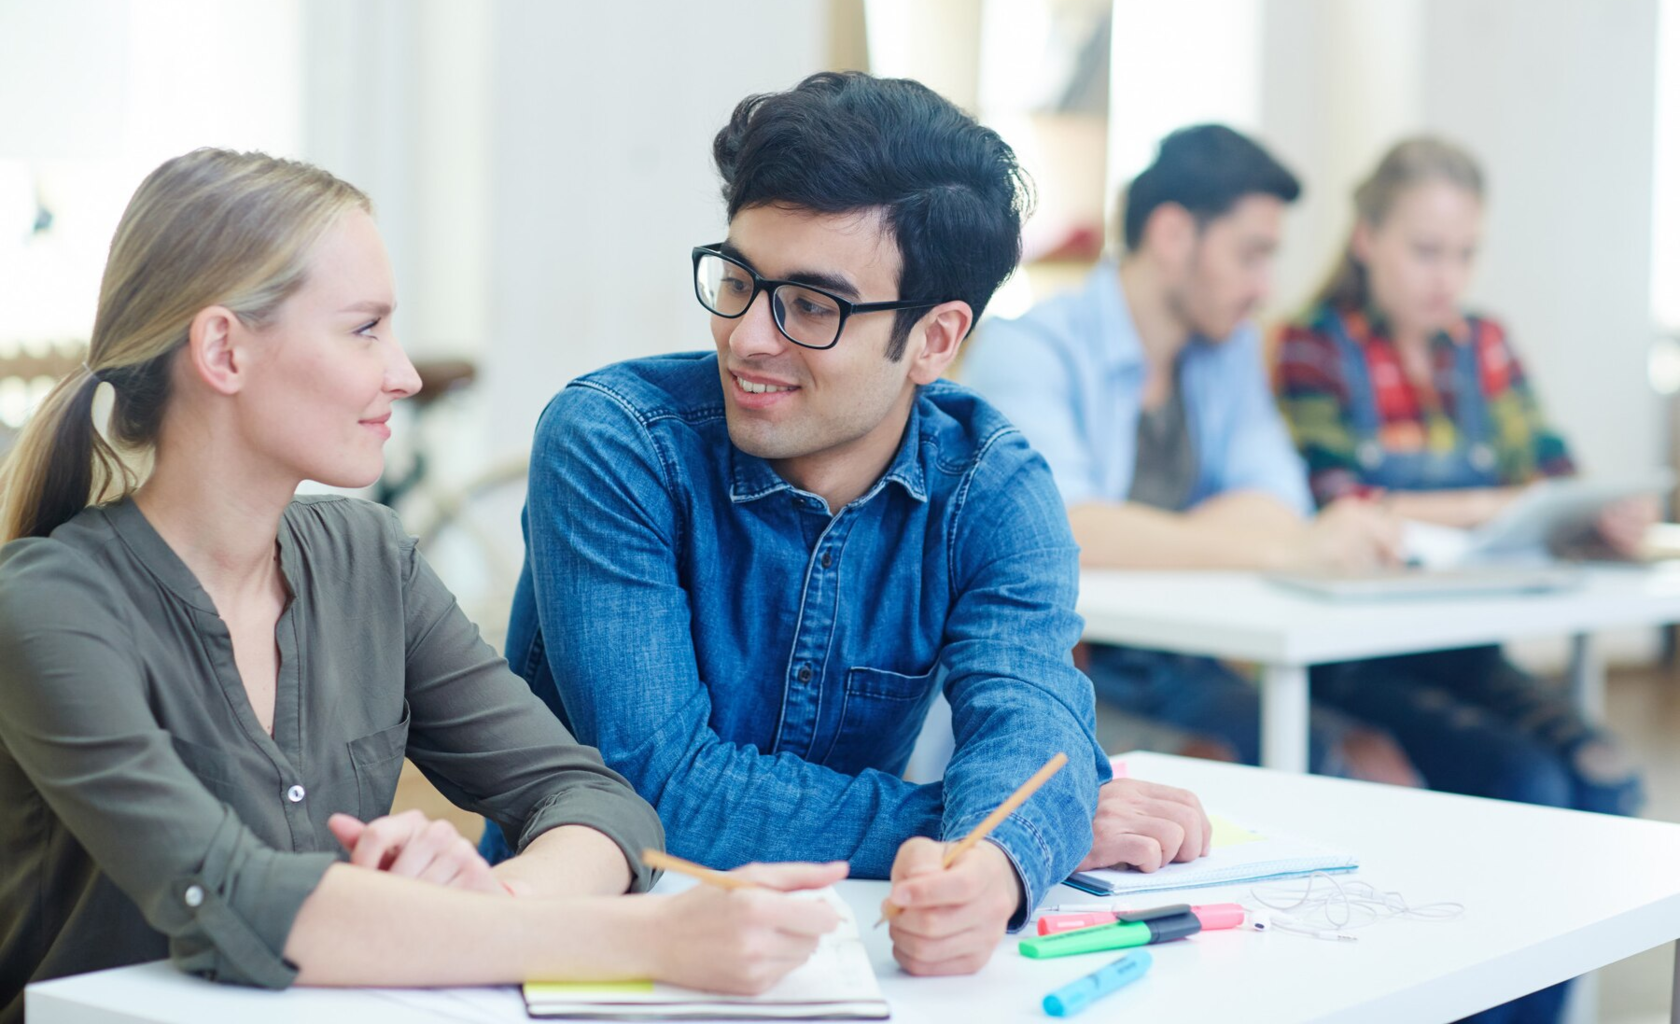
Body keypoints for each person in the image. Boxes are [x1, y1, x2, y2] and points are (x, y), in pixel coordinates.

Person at [0, 149, 849, 1022]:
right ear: (223, 349)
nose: (402, 373)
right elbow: (229, 897)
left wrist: (483, 909)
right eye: (364, 328)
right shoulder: (48, 605)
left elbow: (599, 803)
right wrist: (652, 943)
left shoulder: (372, 561)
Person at [484, 72, 1213, 978]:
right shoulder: (616, 442)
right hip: (584, 950)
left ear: (937, 340)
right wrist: (979, 826)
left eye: (813, 307)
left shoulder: (993, 485)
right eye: (739, 280)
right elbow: (657, 782)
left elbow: (1035, 718)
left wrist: (989, 870)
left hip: (845, 955)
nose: (750, 337)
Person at [1272, 136, 1648, 1024]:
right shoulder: (1313, 349)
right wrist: (1500, 501)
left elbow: (1554, 474)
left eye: (1465, 253)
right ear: (1367, 239)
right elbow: (1344, 502)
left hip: (1466, 649)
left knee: (1608, 783)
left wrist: (1594, 514)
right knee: (1532, 787)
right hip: (1363, 661)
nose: (1448, 276)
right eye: (1425, 250)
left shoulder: (1483, 343)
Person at [962, 124, 1416, 782]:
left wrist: (1138, 537)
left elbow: (1278, 501)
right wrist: (1275, 551)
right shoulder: (1029, 349)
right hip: (1047, 676)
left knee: (1370, 765)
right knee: (1221, 772)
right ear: (1174, 235)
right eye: (1251, 254)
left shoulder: (1226, 351)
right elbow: (1062, 533)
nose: (1267, 286)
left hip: (1179, 659)